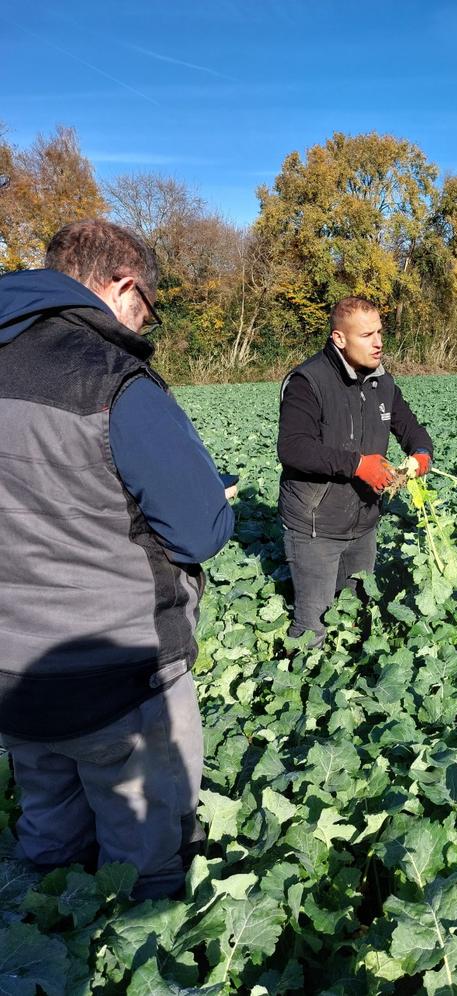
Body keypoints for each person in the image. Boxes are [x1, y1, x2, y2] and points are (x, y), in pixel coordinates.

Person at [0, 219, 235, 899]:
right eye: (146, 309)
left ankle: (40, 936)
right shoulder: (112, 379)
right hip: (116, 677)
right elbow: (198, 532)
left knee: (49, 847)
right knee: (146, 868)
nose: (141, 323)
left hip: (12, 678)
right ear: (123, 285)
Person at [277, 296, 434, 646]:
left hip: (364, 523)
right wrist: (358, 464)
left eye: (379, 332)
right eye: (366, 335)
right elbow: (293, 448)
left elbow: (411, 428)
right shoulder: (308, 381)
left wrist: (421, 454)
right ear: (339, 338)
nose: (378, 343)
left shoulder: (382, 382)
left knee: (357, 615)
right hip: (316, 526)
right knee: (313, 627)